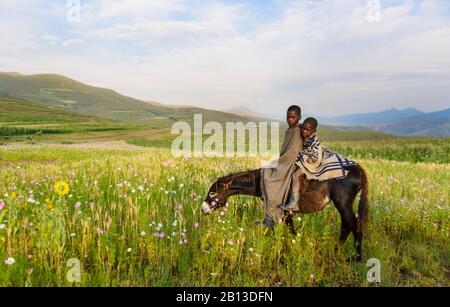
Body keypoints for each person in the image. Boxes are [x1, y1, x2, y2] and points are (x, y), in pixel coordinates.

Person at [279, 117, 357, 212]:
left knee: (295, 176)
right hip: (311, 155)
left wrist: (299, 158)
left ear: (314, 131)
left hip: (313, 159)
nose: (304, 131)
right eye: (303, 128)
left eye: (307, 130)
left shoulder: (311, 140)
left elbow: (312, 156)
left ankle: (293, 203)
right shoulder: (307, 135)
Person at [257, 105, 303, 227]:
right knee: (267, 170)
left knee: (271, 180)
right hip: (285, 161)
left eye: (293, 117)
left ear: (299, 117)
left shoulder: (298, 131)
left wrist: (280, 162)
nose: (290, 120)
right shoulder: (290, 130)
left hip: (291, 163)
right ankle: (269, 215)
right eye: (288, 117)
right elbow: (286, 151)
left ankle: (274, 216)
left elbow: (294, 152)